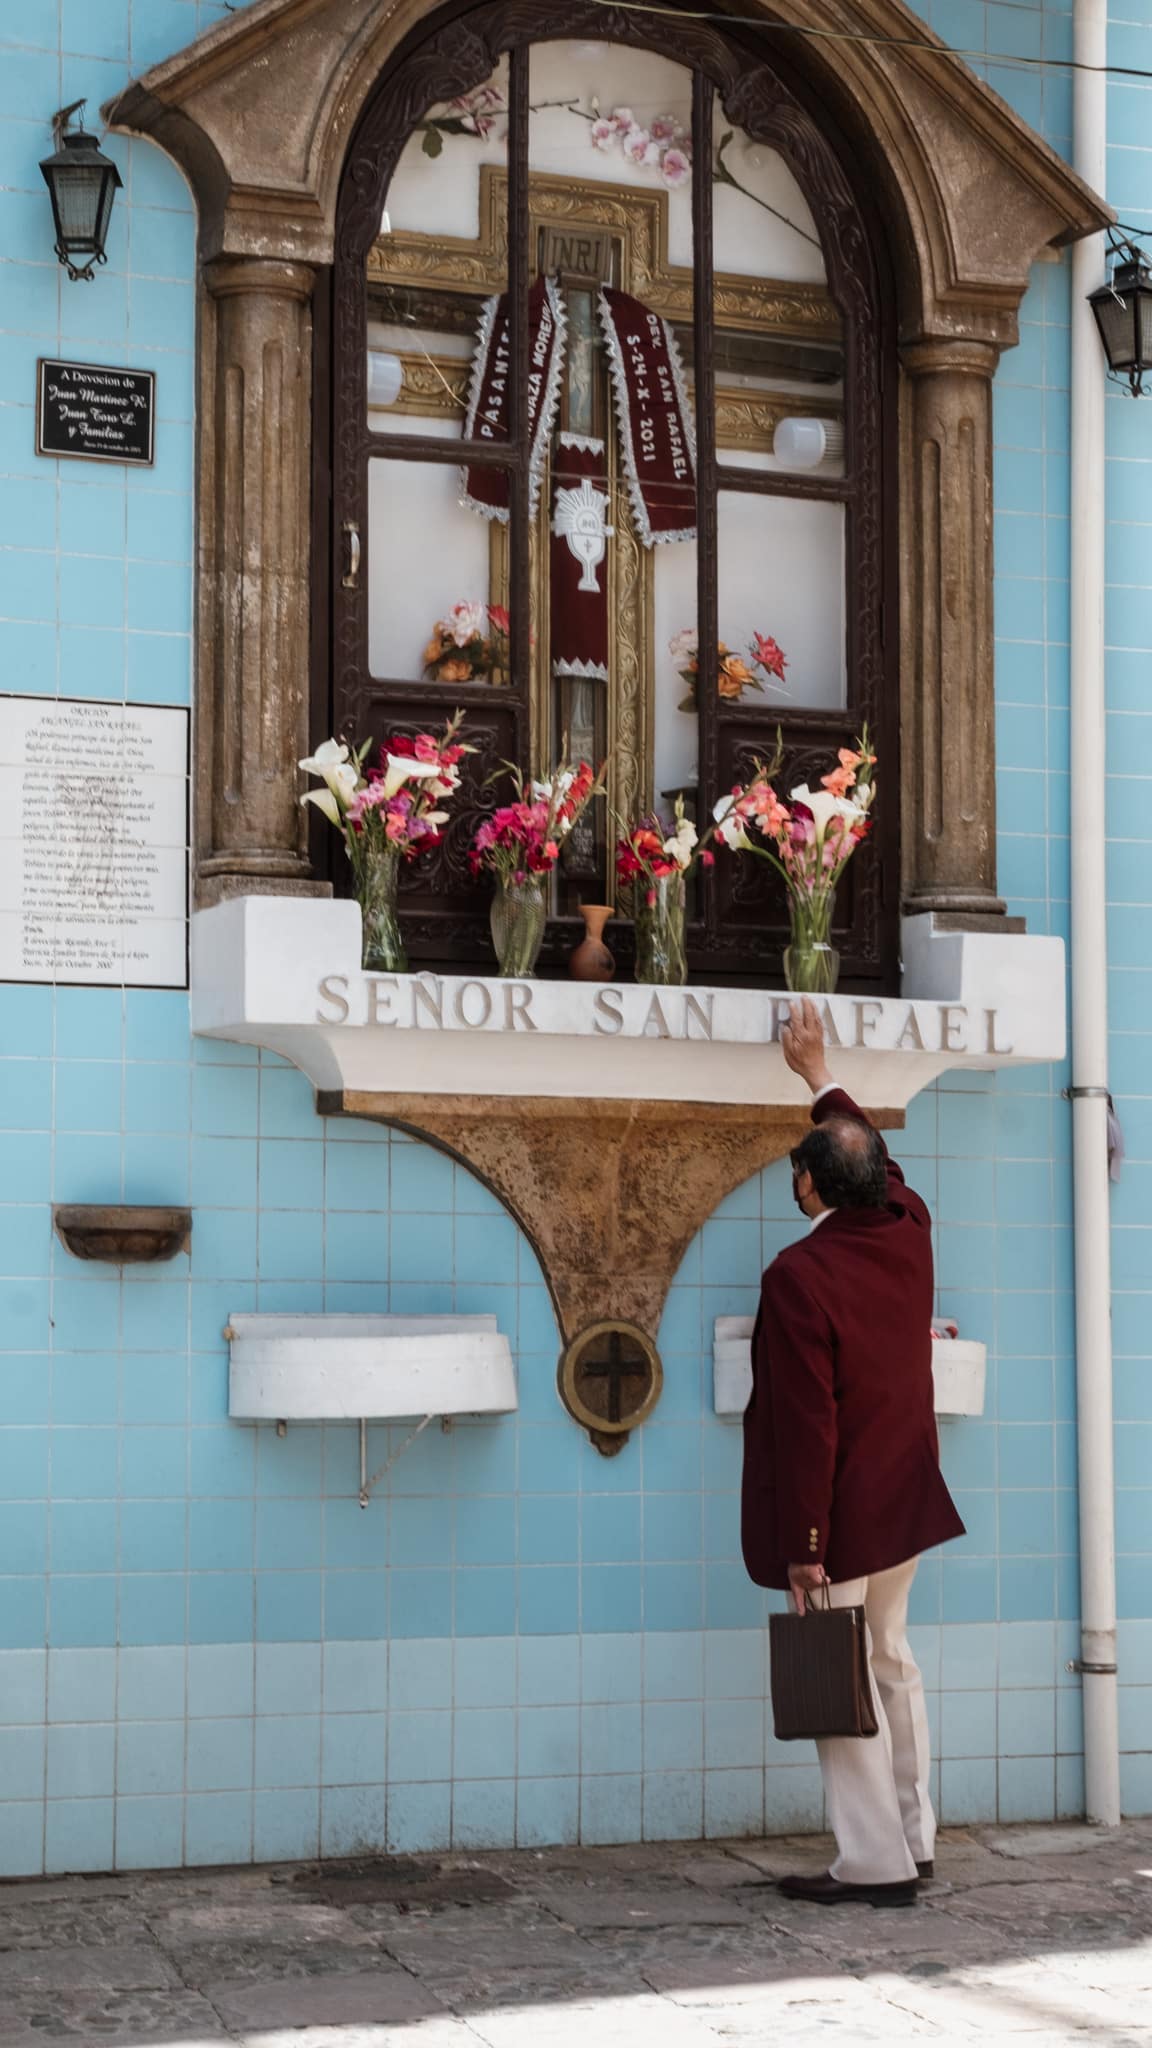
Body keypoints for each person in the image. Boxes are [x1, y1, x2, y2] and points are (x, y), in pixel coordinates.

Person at [743, 997, 965, 1908]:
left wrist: (804, 1543)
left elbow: (808, 1424)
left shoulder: (800, 1276)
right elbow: (880, 1157)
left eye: (801, 1175)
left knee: (840, 1679)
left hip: (836, 1514)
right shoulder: (906, 1226)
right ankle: (915, 1838)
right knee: (891, 1660)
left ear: (813, 1192)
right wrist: (817, 1075)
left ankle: (873, 1864)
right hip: (904, 1496)